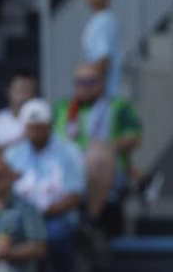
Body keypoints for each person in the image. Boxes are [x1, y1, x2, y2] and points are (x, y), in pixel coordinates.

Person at [3, 98, 86, 272]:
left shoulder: (69, 152)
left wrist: (44, 212)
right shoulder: (13, 153)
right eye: (31, 128)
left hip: (55, 215)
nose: (36, 132)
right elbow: (4, 190)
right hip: (20, 217)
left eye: (40, 127)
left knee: (58, 235)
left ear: (49, 126)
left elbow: (75, 194)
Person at [52, 60, 142, 229]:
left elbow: (134, 137)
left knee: (97, 155)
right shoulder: (62, 107)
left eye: (90, 82)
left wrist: (105, 147)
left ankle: (90, 221)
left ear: (102, 83)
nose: (85, 87)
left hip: (105, 168)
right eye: (80, 82)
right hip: (65, 165)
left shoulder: (118, 106)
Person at [80, 0, 121, 96]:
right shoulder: (97, 20)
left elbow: (104, 59)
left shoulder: (104, 21)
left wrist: (93, 90)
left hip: (103, 94)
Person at [0, 69, 37, 154]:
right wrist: (22, 139)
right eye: (20, 90)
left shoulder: (41, 123)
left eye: (28, 90)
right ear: (9, 91)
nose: (23, 95)